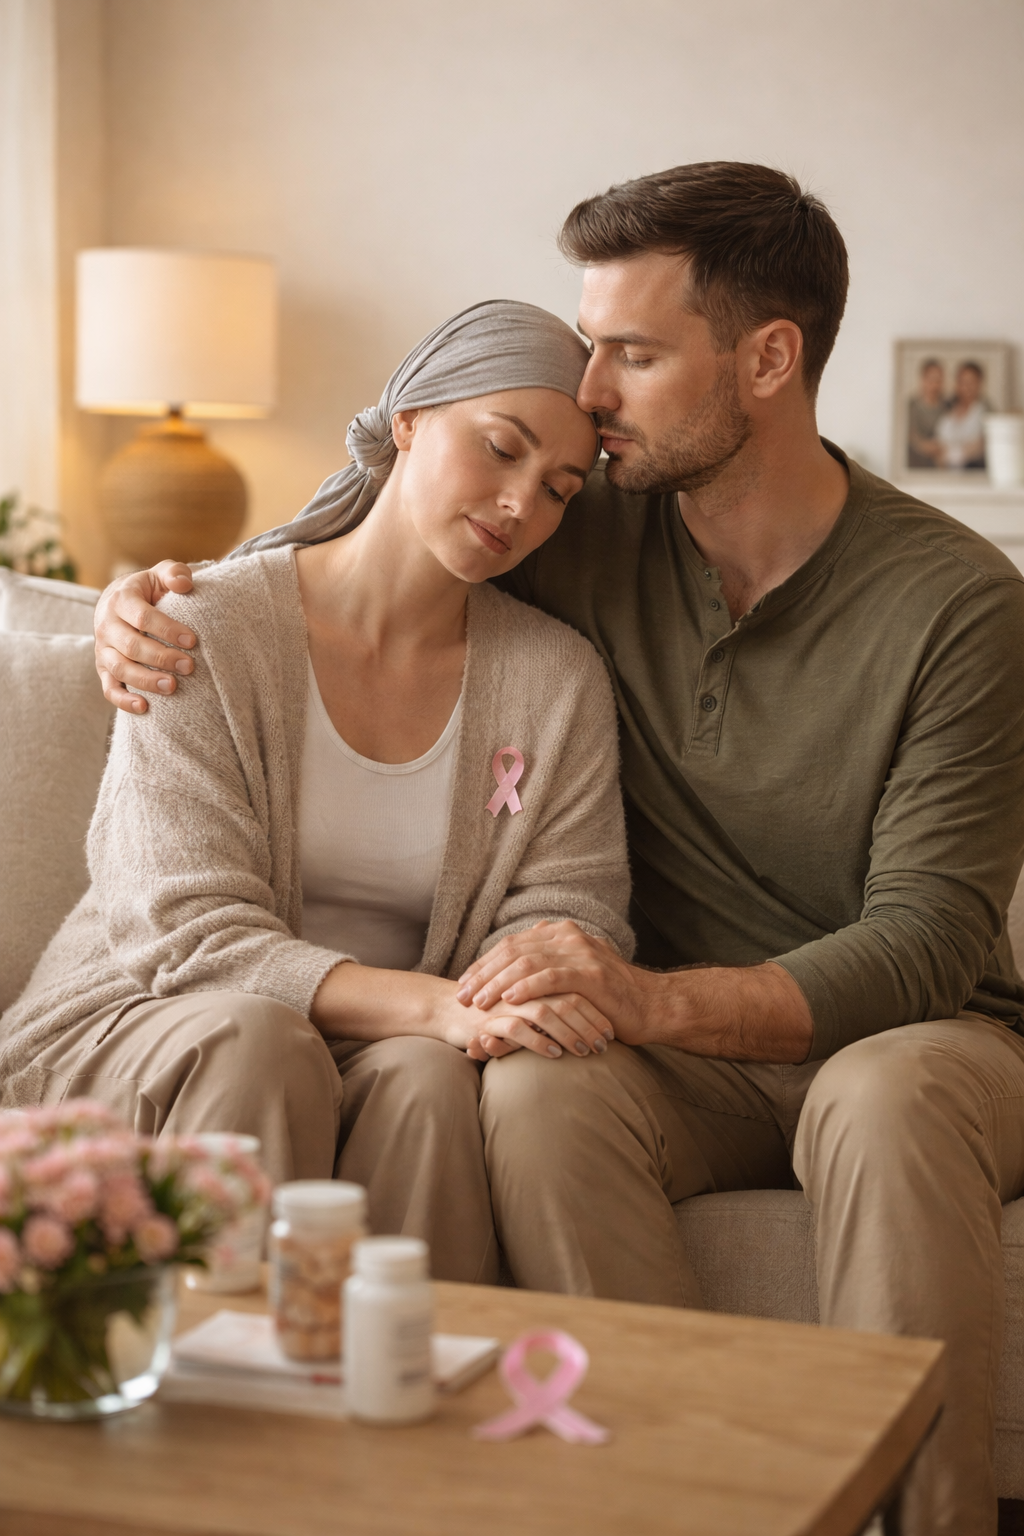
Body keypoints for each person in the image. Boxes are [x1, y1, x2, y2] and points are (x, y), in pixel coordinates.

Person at [90, 164, 1024, 1536]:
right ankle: (667, 1504)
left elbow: (932, 936)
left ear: (768, 360)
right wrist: (149, 599)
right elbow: (388, 503)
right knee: (537, 1094)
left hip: (918, 1036)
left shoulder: (960, 604)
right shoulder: (588, 524)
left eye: (633, 354)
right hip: (677, 1059)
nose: (589, 391)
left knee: (877, 1103)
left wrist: (651, 999)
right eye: (592, 348)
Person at [0, 300, 634, 1288]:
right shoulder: (201, 628)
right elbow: (186, 935)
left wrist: (466, 1011)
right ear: (411, 420)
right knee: (268, 1039)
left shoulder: (555, 681)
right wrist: (436, 1006)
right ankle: (208, 1413)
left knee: (428, 1080)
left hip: (380, 1047)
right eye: (499, 449)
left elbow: (569, 917)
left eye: (557, 489)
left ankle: (389, 1410)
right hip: (147, 1016)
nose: (520, 504)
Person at [935, 359, 988, 469]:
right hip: (945, 478)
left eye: (971, 382)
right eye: (962, 382)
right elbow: (938, 449)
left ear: (980, 384)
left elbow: (978, 448)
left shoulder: (985, 413)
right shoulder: (946, 411)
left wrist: (948, 454)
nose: (966, 387)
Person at [907, 356, 946, 467]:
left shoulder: (947, 407)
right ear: (923, 379)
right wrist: (926, 446)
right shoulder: (911, 406)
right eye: (931, 379)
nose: (935, 385)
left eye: (939, 380)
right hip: (916, 462)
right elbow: (911, 436)